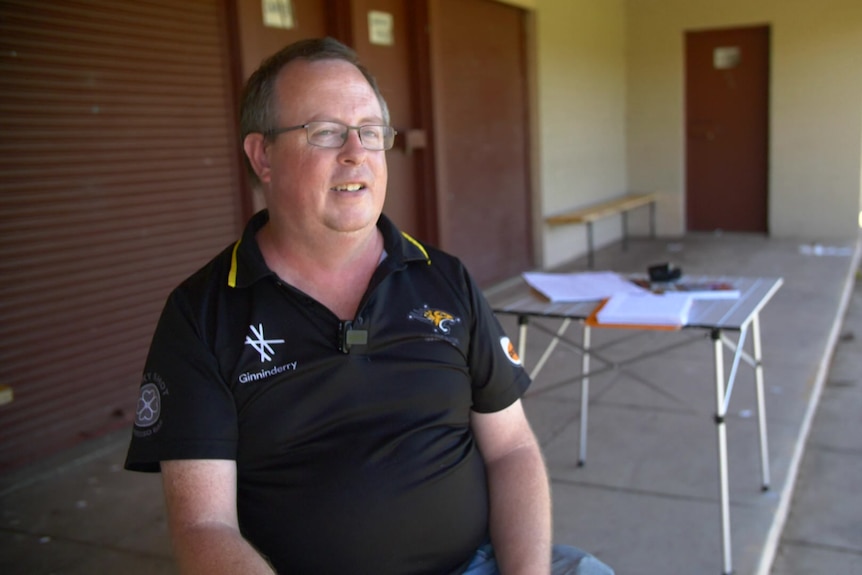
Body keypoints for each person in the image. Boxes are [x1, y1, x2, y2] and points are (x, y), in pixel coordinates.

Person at [125, 37, 613, 575]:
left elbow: (511, 449)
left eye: (371, 132)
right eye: (326, 132)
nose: (356, 152)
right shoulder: (203, 314)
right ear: (263, 156)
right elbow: (203, 527)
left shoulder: (444, 278)